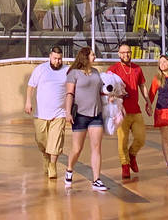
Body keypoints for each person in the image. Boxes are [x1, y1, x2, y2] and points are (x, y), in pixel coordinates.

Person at [64, 47, 107, 192]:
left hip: (96, 114)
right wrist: (68, 112)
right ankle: (69, 169)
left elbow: (102, 90)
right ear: (85, 57)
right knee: (77, 148)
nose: (95, 57)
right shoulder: (73, 73)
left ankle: (96, 180)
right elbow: (69, 93)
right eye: (93, 55)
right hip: (80, 114)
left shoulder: (96, 72)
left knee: (97, 147)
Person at [107, 42, 152, 179]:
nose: (126, 55)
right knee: (122, 141)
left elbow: (142, 86)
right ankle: (125, 165)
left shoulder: (137, 69)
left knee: (141, 138)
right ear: (119, 54)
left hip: (136, 110)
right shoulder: (113, 69)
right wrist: (111, 97)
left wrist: (148, 102)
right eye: (123, 52)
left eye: (128, 52)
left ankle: (132, 155)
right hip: (121, 111)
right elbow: (106, 86)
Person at [25, 45, 68, 180]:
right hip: (41, 114)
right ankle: (46, 156)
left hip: (59, 113)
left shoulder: (67, 71)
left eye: (60, 59)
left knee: (55, 141)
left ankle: (53, 165)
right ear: (50, 56)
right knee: (41, 140)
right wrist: (28, 102)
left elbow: (72, 89)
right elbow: (31, 86)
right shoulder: (40, 69)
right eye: (55, 58)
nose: (57, 61)